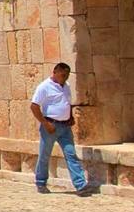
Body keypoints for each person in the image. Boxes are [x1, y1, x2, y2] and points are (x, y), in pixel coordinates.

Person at [30, 63, 91, 196]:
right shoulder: (44, 87)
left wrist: (70, 116)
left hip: (64, 127)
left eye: (67, 75)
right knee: (45, 155)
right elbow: (34, 106)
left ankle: (80, 185)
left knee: (71, 154)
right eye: (63, 75)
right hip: (50, 126)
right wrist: (45, 123)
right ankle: (40, 182)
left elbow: (67, 102)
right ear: (55, 72)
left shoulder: (66, 86)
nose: (65, 78)